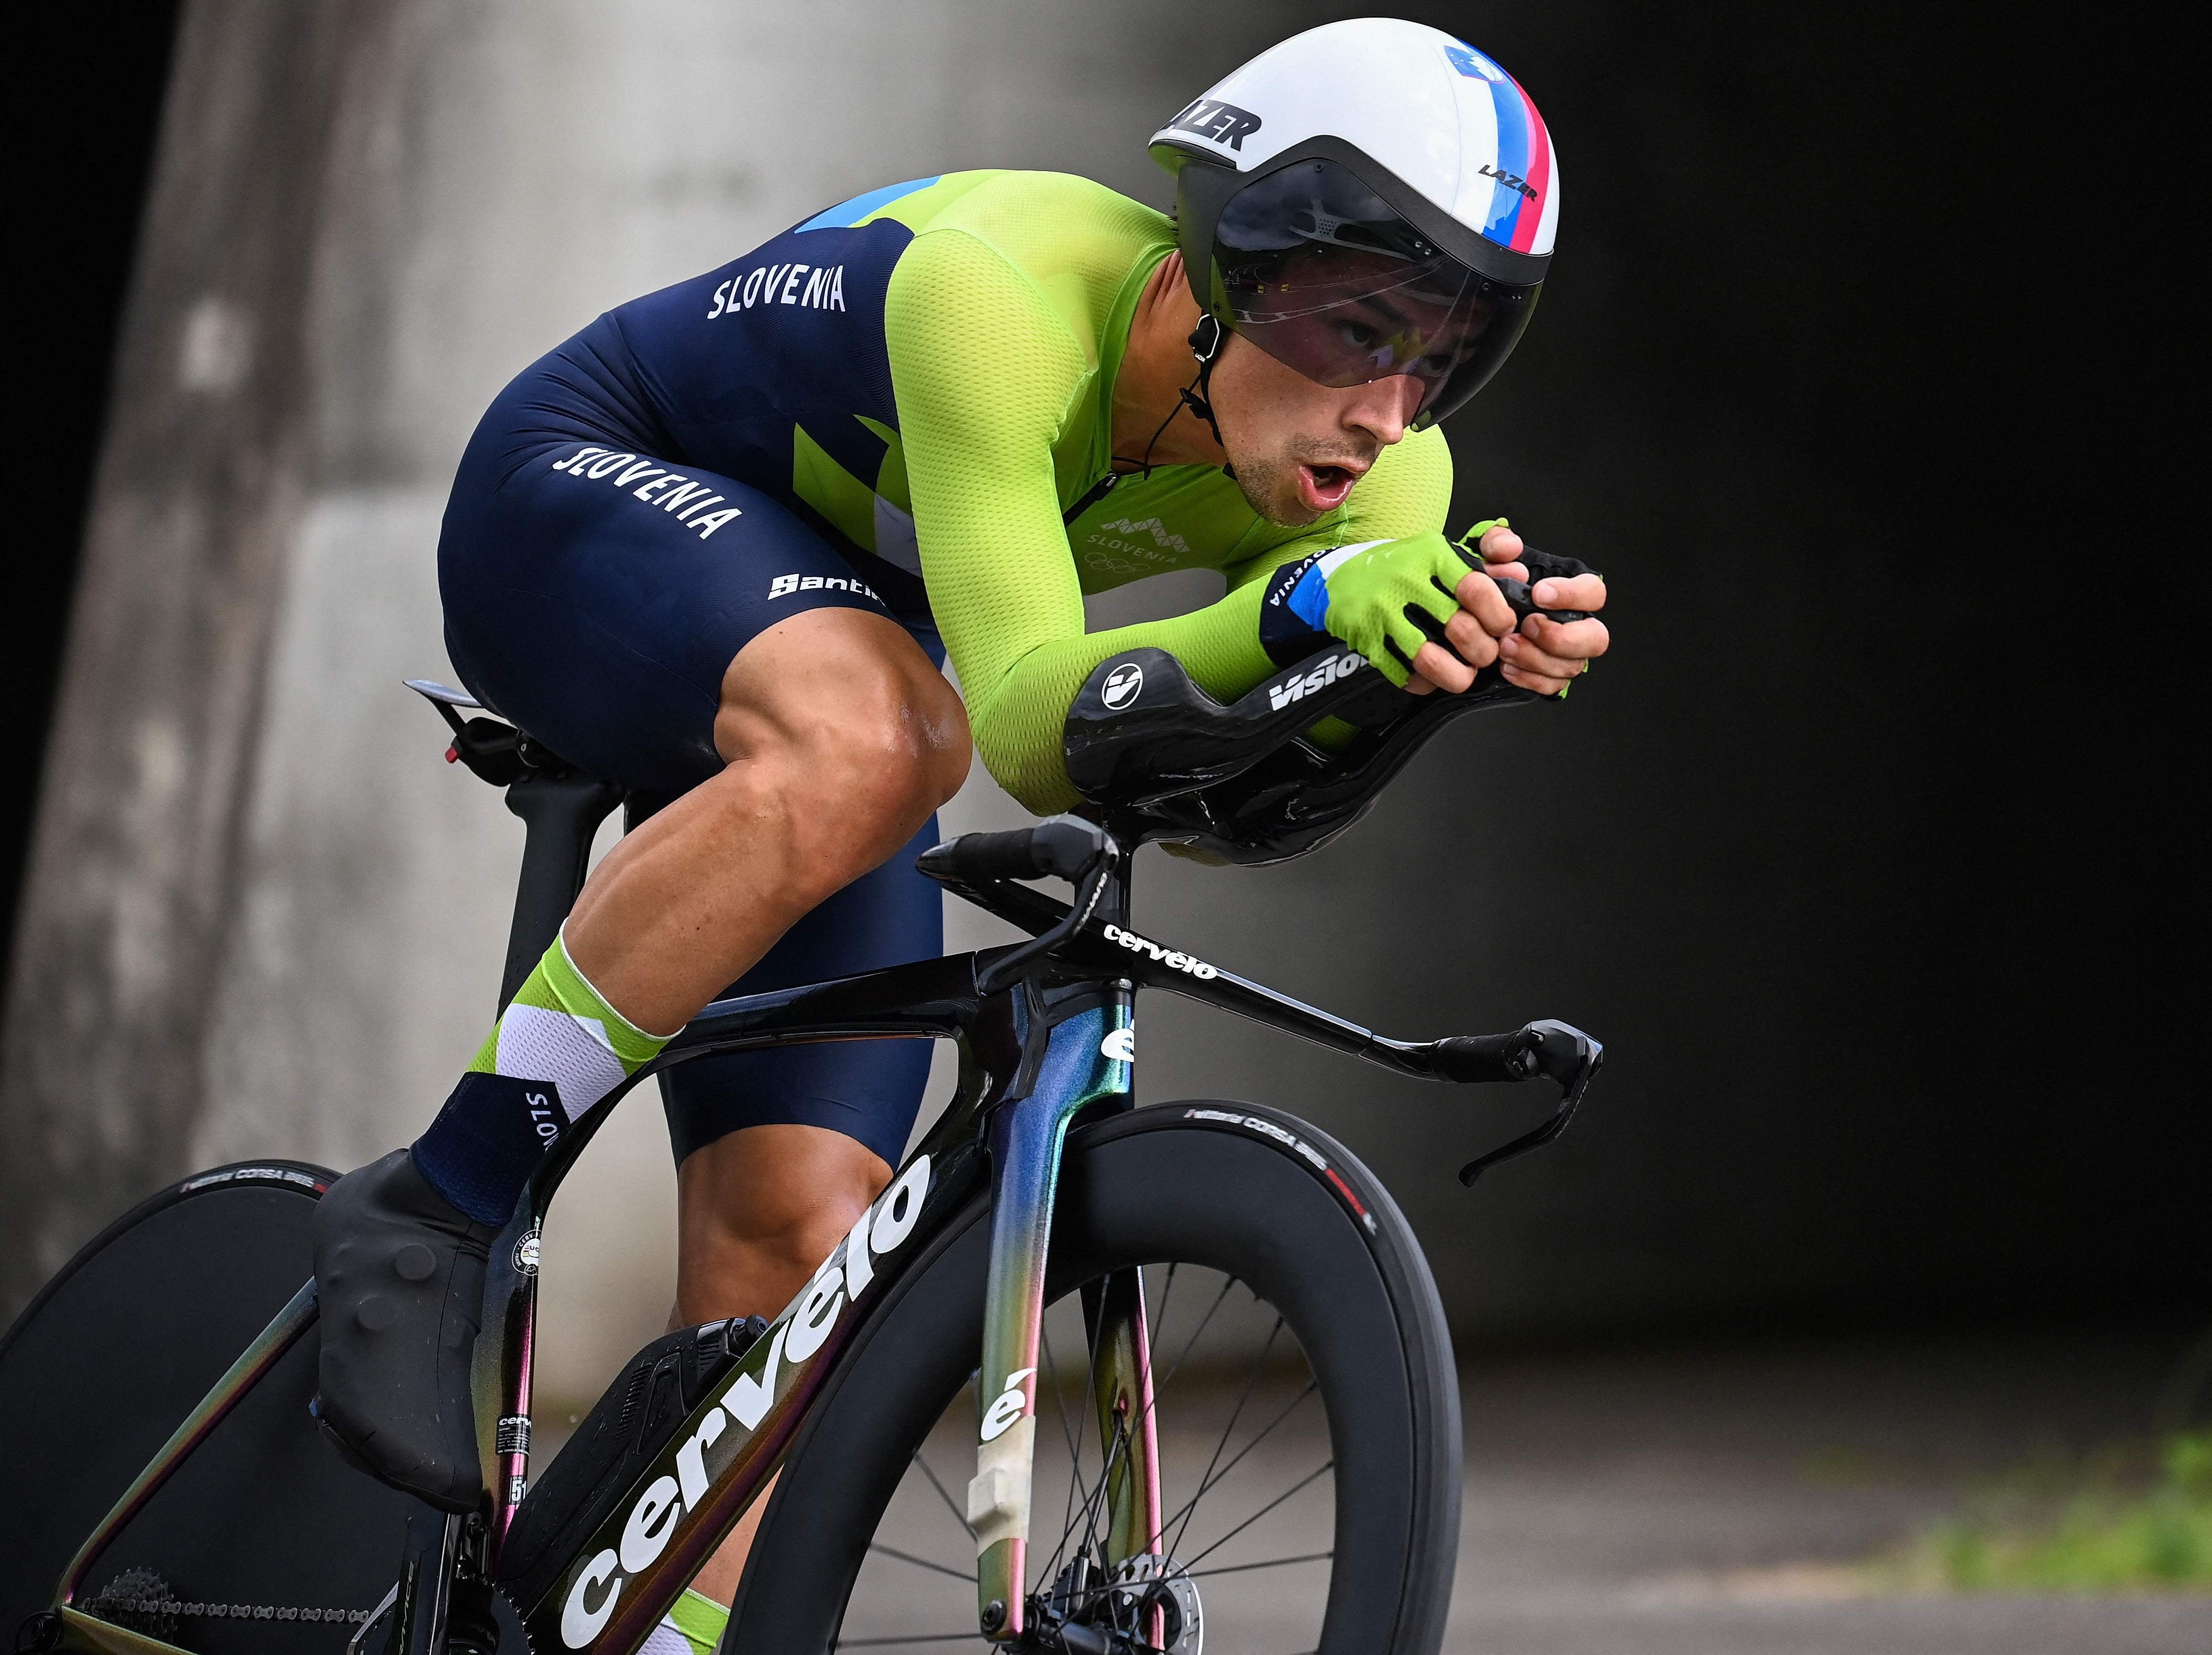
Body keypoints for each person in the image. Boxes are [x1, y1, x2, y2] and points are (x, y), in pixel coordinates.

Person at [310, 17, 1607, 1650]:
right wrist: (1300, 611)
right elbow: (1027, 726)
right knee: (887, 737)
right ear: (1235, 262)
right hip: (586, 485)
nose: (1390, 407)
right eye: (1364, 328)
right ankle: (437, 1203)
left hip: (835, 636)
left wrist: (1426, 680)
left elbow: (1199, 804)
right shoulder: (1001, 297)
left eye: (1445, 356)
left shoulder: (1384, 483)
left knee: (803, 1238)